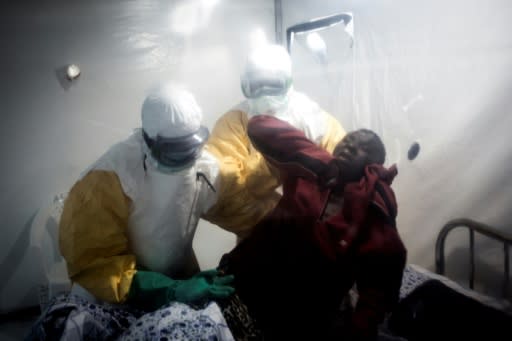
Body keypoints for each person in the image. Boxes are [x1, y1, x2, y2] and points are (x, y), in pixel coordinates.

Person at [27, 82, 236, 341]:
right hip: (110, 297)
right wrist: (168, 290)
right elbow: (96, 264)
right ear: (147, 140)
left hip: (176, 280)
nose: (185, 159)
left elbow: (240, 207)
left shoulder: (207, 166)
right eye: (173, 152)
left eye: (191, 148)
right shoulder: (110, 177)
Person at [218, 115, 407, 341]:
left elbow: (380, 283)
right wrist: (319, 161)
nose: (349, 146)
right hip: (250, 279)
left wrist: (358, 330)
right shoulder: (308, 172)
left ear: (374, 165)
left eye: (363, 148)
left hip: (303, 314)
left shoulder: (371, 209)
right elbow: (259, 126)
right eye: (348, 140)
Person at [203, 43, 346, 239]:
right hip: (256, 242)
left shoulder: (316, 122)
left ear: (289, 82)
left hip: (312, 240)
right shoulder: (234, 122)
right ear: (245, 85)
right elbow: (225, 195)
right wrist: (272, 162)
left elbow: (343, 185)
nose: (265, 94)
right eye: (256, 86)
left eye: (273, 85)